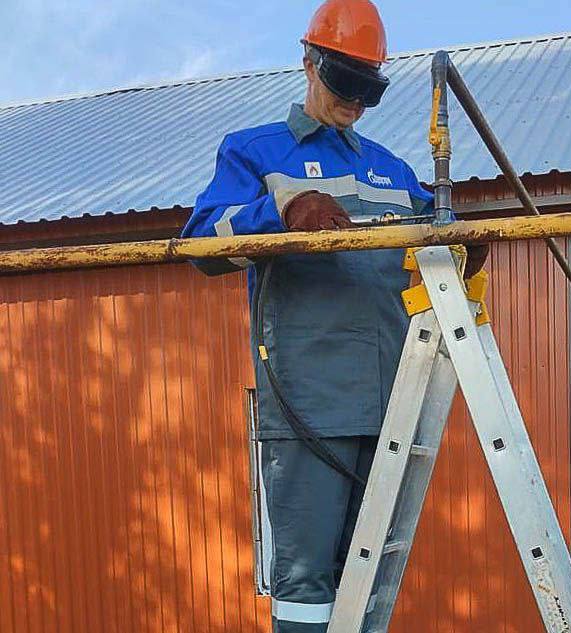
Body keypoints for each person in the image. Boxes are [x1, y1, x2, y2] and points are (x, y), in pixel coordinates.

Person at [182, 1, 486, 630]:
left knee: (368, 579)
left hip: (393, 404)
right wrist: (281, 214)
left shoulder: (393, 170)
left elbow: (441, 224)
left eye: (368, 90)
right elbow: (202, 241)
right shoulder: (254, 153)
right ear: (310, 63)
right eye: (345, 84)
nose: (355, 103)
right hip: (308, 404)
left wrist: (467, 238)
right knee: (307, 582)